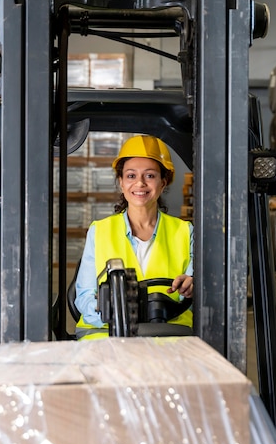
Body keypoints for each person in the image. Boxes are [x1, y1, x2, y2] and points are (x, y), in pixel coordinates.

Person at [74, 134, 193, 338]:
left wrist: (191, 285)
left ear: (163, 183)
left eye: (150, 176)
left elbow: (194, 285)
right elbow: (84, 296)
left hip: (169, 332)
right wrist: (109, 311)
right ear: (121, 183)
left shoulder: (184, 231)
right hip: (106, 332)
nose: (140, 183)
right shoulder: (99, 231)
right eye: (131, 176)